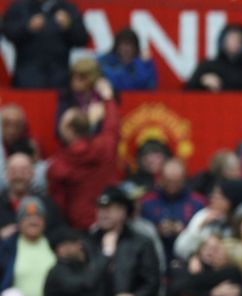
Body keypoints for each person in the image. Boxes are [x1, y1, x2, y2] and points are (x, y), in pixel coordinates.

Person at [47, 78, 120, 231]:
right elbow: (112, 127)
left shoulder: (60, 163)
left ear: (69, 131)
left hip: (76, 227)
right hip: (109, 222)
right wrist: (108, 99)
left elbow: (57, 202)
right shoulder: (104, 146)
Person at [2, 0, 89, 89]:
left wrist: (69, 25)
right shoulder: (20, 7)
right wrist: (27, 27)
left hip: (60, 79)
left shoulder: (67, 8)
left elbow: (82, 39)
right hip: (27, 79)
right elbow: (7, 32)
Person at [185, 24, 242, 92]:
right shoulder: (208, 66)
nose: (234, 43)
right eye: (231, 38)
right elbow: (186, 92)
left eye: (238, 39)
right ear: (222, 41)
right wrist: (201, 81)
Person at [98, 27, 158, 91]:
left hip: (140, 100)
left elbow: (150, 87)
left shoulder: (145, 63)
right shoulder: (104, 63)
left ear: (136, 47)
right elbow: (117, 86)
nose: (126, 49)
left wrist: (140, 64)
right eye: (123, 44)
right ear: (116, 46)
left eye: (130, 44)